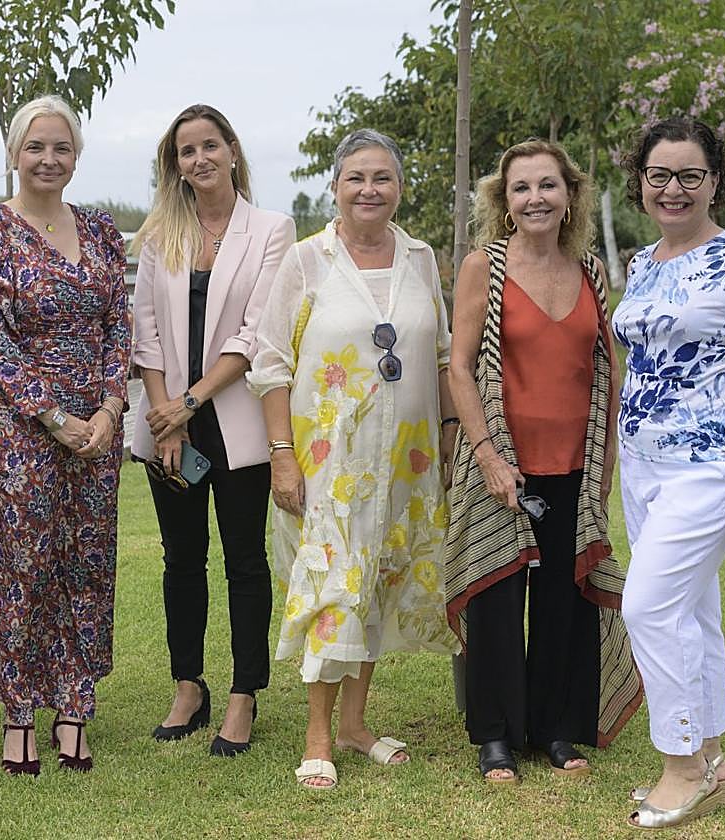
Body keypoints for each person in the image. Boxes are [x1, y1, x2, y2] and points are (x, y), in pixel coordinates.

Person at [248, 129, 458, 791]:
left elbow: (444, 354)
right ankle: (317, 736)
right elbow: (270, 366)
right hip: (327, 462)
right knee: (332, 589)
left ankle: (356, 725)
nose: (370, 190)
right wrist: (282, 456)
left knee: (381, 582)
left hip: (406, 460)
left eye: (382, 178)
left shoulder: (421, 258)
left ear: (399, 188)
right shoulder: (306, 261)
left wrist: (451, 436)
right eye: (356, 179)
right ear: (335, 189)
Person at [445, 139, 641, 785]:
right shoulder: (485, 266)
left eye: (548, 186)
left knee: (566, 595)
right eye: (522, 188)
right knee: (498, 595)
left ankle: (558, 730)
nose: (535, 198)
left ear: (569, 196)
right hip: (502, 462)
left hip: (574, 462)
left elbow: (605, 371)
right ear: (505, 203)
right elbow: (460, 369)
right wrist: (486, 453)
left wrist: (607, 460)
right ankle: (496, 737)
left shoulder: (590, 270)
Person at [0, 95, 130, 776]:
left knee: (85, 565)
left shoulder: (103, 230)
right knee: (19, 566)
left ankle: (75, 707)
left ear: (76, 156)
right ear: (12, 154)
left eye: (61, 148)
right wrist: (55, 420)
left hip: (98, 427)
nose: (48, 159)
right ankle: (19, 712)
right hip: (19, 430)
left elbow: (120, 323)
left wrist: (110, 410)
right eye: (36, 147)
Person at [130, 104, 295, 756]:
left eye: (208, 146)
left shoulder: (271, 230)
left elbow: (258, 331)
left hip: (234, 422)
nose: (198, 159)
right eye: (184, 151)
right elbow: (144, 332)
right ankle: (188, 686)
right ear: (175, 165)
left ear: (231, 149)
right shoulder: (157, 236)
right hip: (168, 425)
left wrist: (190, 402)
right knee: (181, 560)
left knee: (245, 562)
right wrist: (166, 417)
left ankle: (242, 694)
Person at [613, 117, 725, 830]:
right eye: (660, 175)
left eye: (690, 175)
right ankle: (714, 755)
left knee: (647, 606)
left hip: (712, 465)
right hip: (643, 466)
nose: (674, 189)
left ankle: (681, 767)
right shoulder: (642, 263)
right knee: (693, 611)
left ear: (714, 182)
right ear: (641, 182)